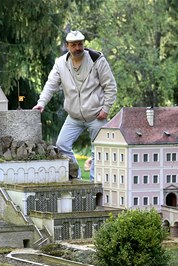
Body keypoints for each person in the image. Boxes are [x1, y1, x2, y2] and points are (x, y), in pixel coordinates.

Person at [33, 30, 117, 180]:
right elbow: (51, 85)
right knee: (62, 145)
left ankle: (94, 183)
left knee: (98, 150)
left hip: (96, 115)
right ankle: (76, 177)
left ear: (83, 44)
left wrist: (106, 109)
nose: (78, 48)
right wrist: (41, 103)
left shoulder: (97, 59)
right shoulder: (60, 63)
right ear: (67, 46)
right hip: (74, 117)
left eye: (80, 44)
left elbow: (110, 86)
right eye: (74, 45)